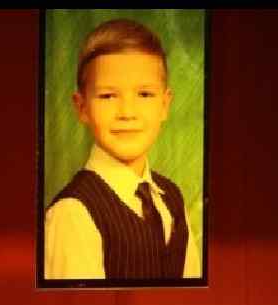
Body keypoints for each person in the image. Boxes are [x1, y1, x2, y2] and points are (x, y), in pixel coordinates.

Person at [44, 18, 201, 280]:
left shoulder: (172, 198)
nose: (127, 113)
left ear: (165, 105)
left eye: (145, 94)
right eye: (108, 96)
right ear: (81, 107)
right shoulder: (72, 213)